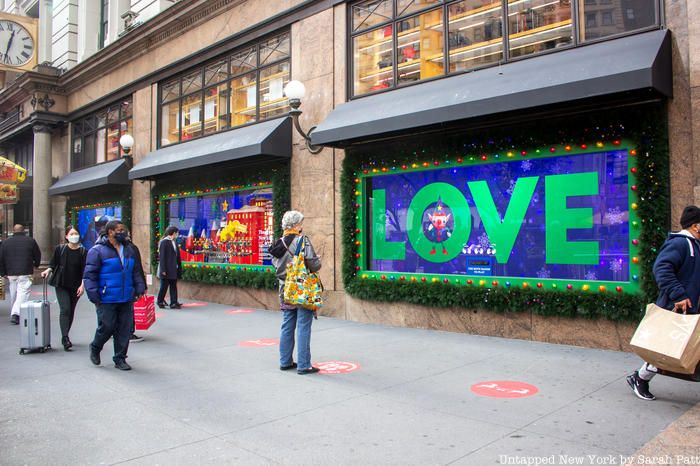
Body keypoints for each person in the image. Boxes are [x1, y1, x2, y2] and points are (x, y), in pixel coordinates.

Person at [627, 205, 700, 400]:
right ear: (696, 226)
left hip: (691, 306)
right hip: (677, 306)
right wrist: (678, 295)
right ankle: (640, 378)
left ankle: (640, 378)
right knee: (665, 348)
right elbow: (661, 269)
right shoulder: (681, 244)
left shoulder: (695, 245)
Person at [83, 220, 146, 371]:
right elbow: (89, 275)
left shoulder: (129, 249)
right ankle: (96, 347)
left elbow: (136, 271)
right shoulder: (97, 251)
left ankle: (120, 358)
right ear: (110, 232)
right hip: (106, 297)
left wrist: (139, 288)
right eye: (119, 230)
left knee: (125, 328)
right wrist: (94, 295)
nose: (123, 232)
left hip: (126, 296)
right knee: (107, 326)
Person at [270, 210, 322, 375]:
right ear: (296, 225)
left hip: (285, 290)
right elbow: (314, 265)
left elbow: (277, 266)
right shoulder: (302, 241)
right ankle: (304, 364)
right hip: (301, 290)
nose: (302, 226)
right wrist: (317, 259)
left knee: (287, 325)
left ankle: (285, 362)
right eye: (300, 223)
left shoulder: (278, 244)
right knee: (303, 325)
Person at [41, 226, 87, 350]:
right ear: (66, 236)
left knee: (71, 310)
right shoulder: (60, 249)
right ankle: (65, 337)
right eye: (71, 234)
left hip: (76, 285)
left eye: (76, 233)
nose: (74, 236)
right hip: (61, 283)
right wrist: (48, 270)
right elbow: (53, 263)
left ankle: (66, 333)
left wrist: (82, 286)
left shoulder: (83, 251)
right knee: (65, 309)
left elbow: (85, 271)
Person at [0, 224, 41, 325]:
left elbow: (1, 258)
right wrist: (36, 264)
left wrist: (3, 272)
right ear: (24, 231)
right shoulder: (30, 241)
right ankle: (15, 314)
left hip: (11, 273)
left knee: (14, 292)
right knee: (23, 292)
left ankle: (14, 312)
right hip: (25, 271)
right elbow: (37, 254)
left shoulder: (5, 243)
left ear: (13, 231)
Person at [126, 229, 146, 343]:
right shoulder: (131, 248)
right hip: (126, 285)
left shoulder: (130, 248)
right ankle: (128, 332)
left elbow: (137, 269)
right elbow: (137, 268)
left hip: (128, 284)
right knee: (128, 310)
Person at [157, 226, 183, 309]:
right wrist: (163, 269)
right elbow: (162, 257)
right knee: (164, 286)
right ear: (174, 233)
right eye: (177, 233)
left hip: (173, 268)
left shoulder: (173, 242)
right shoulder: (164, 242)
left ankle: (174, 302)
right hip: (167, 268)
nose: (178, 234)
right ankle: (160, 300)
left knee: (173, 285)